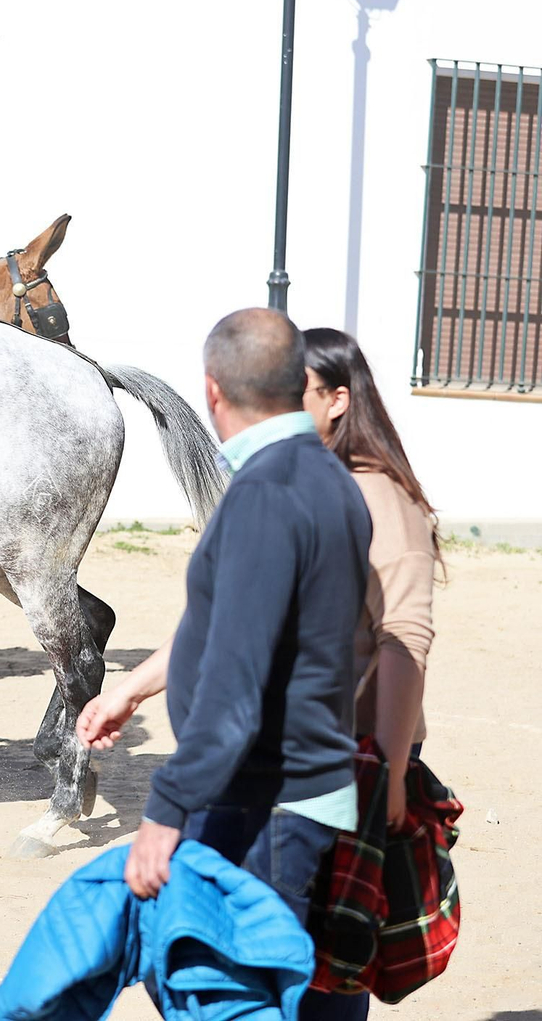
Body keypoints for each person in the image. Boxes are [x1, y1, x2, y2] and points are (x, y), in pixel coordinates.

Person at [76, 308, 372, 1020]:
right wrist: (138, 686)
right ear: (297, 381)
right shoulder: (332, 481)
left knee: (213, 986)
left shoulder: (264, 495)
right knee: (298, 992)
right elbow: (249, 626)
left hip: (262, 801)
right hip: (309, 788)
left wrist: (164, 812)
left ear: (213, 391)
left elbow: (235, 690)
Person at [301, 327, 437, 834]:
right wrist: (131, 691)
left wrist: (393, 772)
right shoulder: (307, 482)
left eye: (295, 391)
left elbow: (405, 640)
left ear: (338, 400)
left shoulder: (380, 497)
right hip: (300, 742)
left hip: (358, 748)